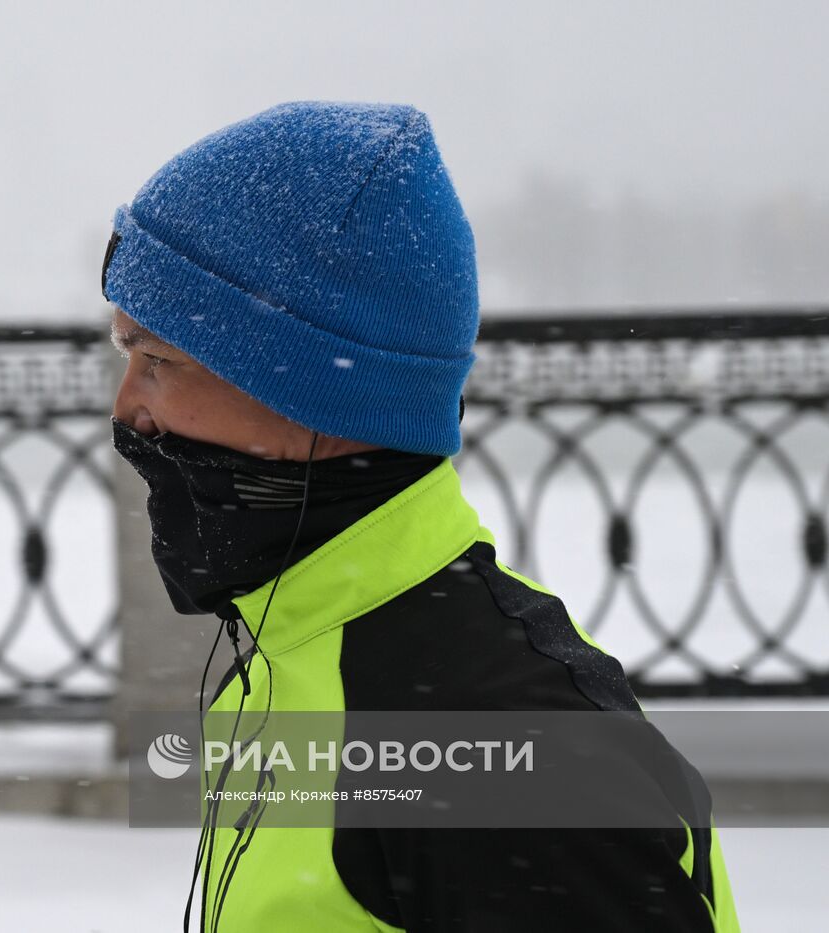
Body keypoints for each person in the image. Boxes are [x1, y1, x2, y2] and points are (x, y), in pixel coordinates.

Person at [102, 101, 740, 932]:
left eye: (157, 361)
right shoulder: (297, 657)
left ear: (314, 390)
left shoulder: (514, 757)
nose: (126, 412)